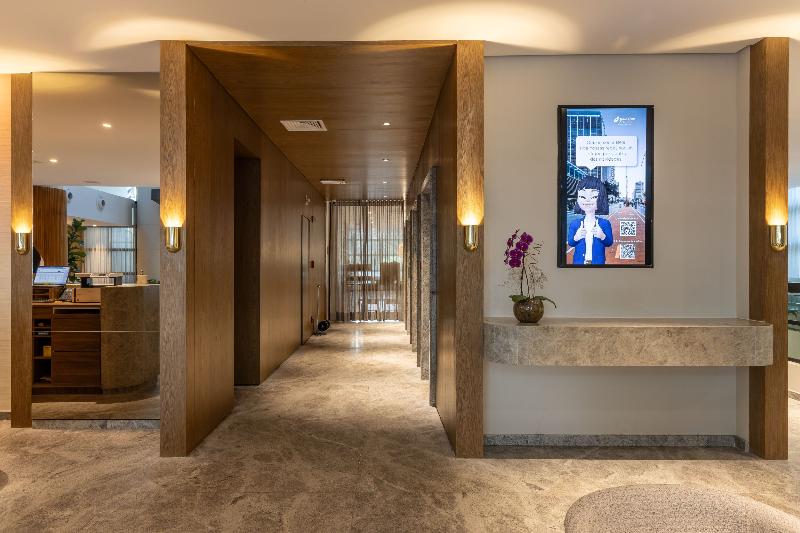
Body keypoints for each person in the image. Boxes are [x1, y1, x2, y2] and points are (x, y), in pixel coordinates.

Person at [567, 176, 613, 265]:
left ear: (601, 199)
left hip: (598, 264)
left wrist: (602, 236)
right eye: (582, 196)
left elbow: (609, 243)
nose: (587, 200)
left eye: (594, 196)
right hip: (578, 263)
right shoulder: (574, 224)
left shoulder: (605, 223)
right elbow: (571, 243)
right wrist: (576, 237)